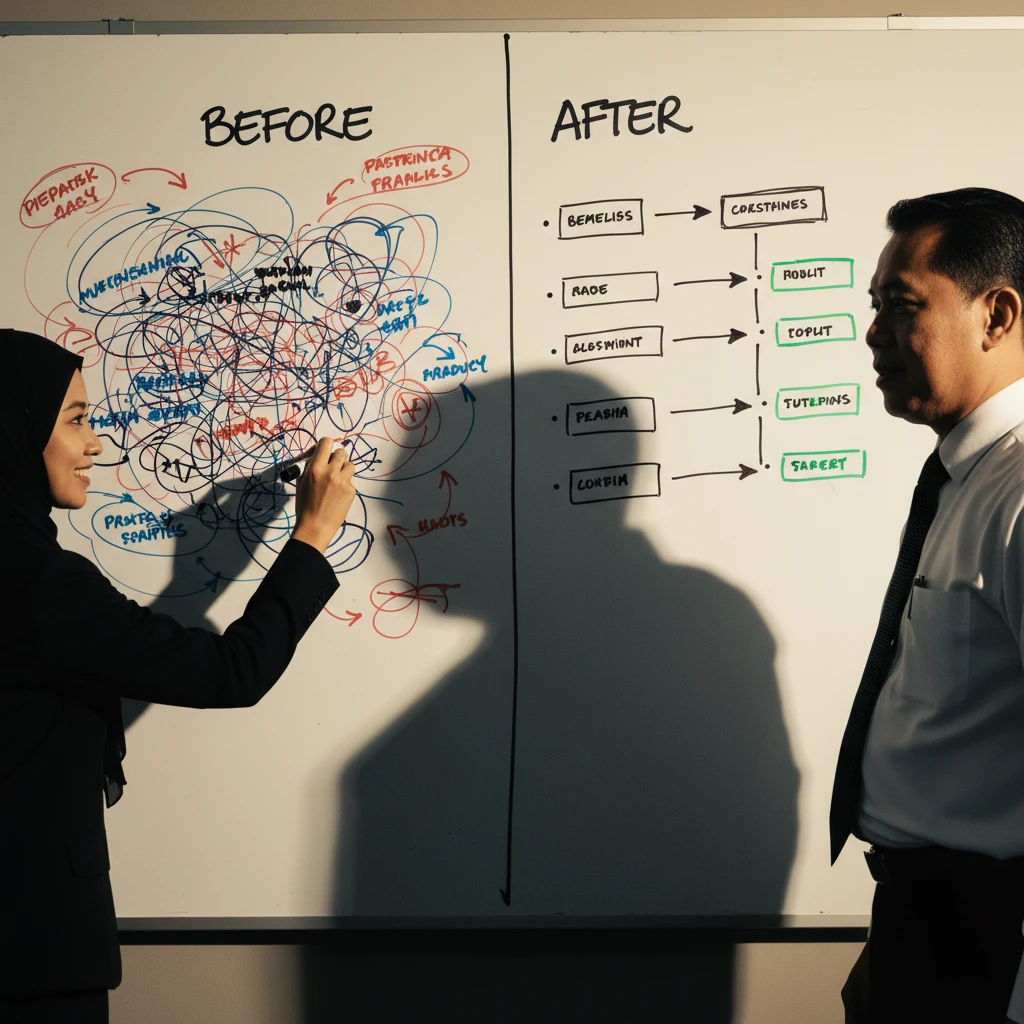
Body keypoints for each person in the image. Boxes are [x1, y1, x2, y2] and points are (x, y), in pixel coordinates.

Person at [0, 329, 356, 1023]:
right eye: (74, 419)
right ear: (13, 428)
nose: (95, 444)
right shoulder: (41, 584)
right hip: (32, 954)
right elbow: (231, 673)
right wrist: (310, 537)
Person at [830, 188, 1024, 1024]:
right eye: (874, 307)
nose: (873, 335)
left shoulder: (1019, 493)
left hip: (988, 946)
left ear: (997, 314)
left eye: (902, 306)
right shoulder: (965, 478)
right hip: (928, 919)